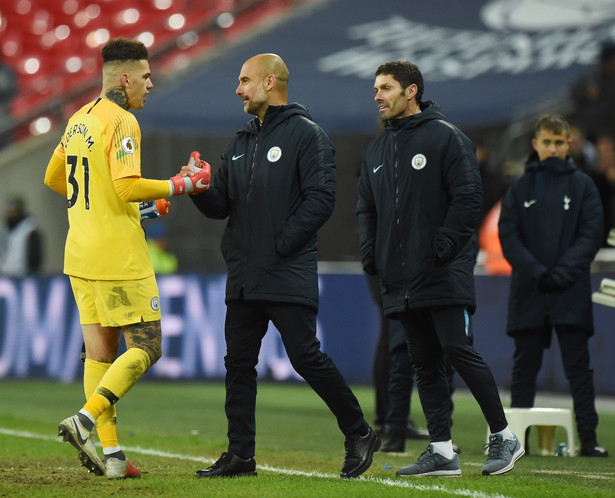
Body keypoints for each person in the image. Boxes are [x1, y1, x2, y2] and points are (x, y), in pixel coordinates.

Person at [185, 53, 380, 480]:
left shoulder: (307, 136)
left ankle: (359, 431)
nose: (238, 89)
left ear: (269, 83)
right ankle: (241, 455)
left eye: (244, 81)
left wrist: (280, 244)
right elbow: (220, 205)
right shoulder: (239, 142)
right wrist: (200, 188)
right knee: (238, 364)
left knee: (305, 357)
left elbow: (321, 200)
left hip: (285, 270)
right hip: (243, 276)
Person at [43, 37, 210, 479]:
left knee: (99, 355)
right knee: (149, 345)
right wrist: (180, 184)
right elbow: (126, 186)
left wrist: (127, 205)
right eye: (146, 76)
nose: (151, 84)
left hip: (80, 253)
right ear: (124, 78)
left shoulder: (79, 119)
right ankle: (84, 419)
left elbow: (53, 176)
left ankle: (113, 456)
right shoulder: (122, 122)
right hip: (119, 255)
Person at [357, 60, 523, 477]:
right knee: (424, 362)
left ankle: (505, 436)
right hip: (399, 277)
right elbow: (368, 209)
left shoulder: (447, 138)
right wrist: (372, 253)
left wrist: (443, 246)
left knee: (456, 350)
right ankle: (442, 448)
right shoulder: (377, 149)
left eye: (386, 88)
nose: (377, 95)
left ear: (411, 91)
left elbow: (468, 199)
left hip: (442, 271)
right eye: (376, 88)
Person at [498, 114, 608, 458]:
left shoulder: (583, 186)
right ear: (536, 144)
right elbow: (508, 235)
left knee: (579, 367)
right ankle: (519, 441)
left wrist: (561, 272)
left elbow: (592, 234)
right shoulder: (519, 188)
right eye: (547, 142)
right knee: (524, 368)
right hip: (531, 290)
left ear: (569, 144)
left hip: (569, 289)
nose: (553, 148)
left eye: (559, 142)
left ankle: (588, 439)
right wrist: (537, 270)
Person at [0, 196, 43, 276]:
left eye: (13, 209)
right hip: (4, 276)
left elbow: (35, 258)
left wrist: (32, 275)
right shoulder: (4, 229)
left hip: (22, 277)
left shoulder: (30, 228)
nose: (10, 212)